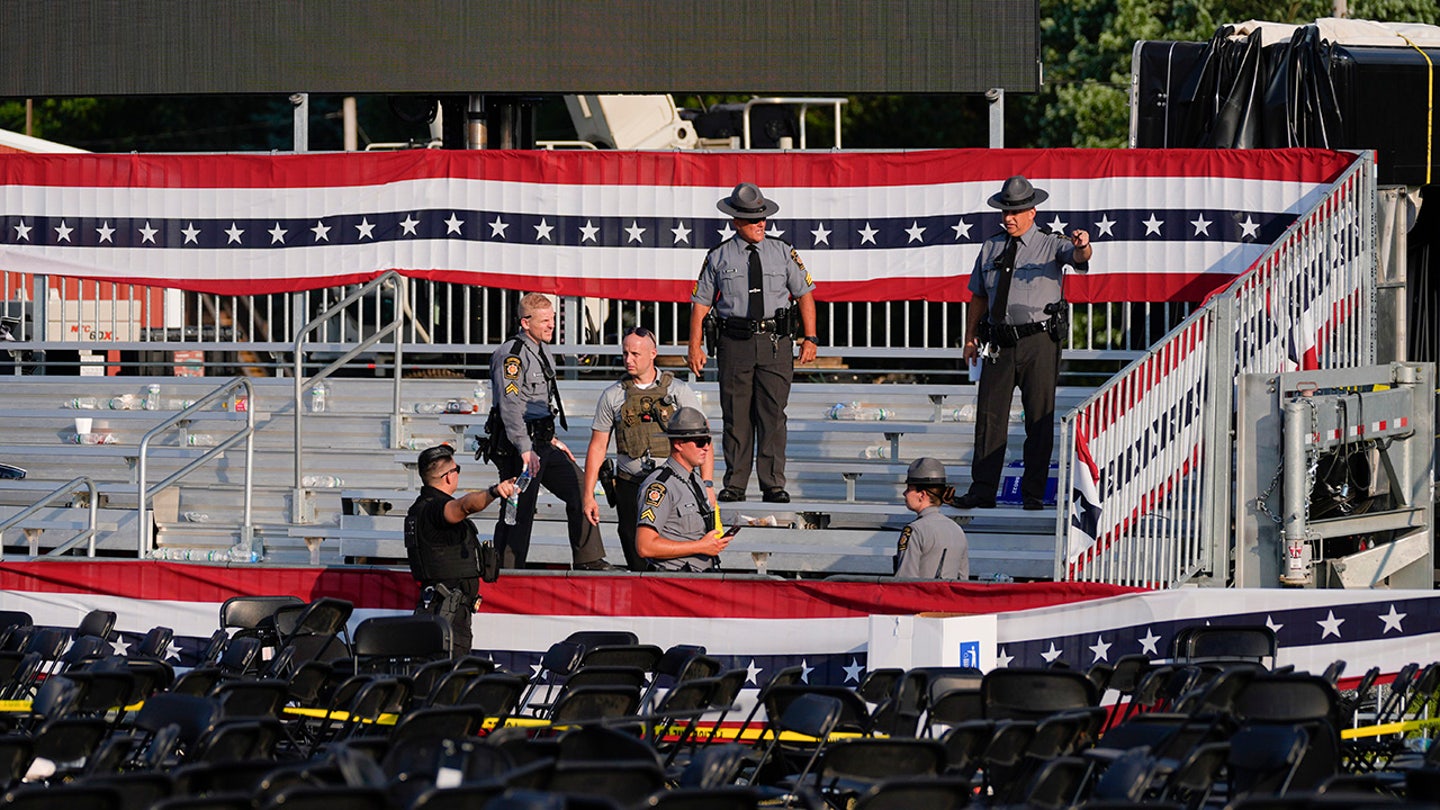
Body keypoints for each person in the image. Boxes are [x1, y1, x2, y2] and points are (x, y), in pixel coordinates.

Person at [952, 175, 1092, 511]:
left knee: (1038, 419)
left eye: (1014, 211)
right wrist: (971, 335)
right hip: (999, 342)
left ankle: (1033, 492)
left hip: (1039, 342)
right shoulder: (991, 246)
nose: (1008, 218)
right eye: (1004, 211)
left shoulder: (1050, 243)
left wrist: (1083, 244)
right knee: (989, 419)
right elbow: (979, 296)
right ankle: (982, 491)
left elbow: (1079, 257)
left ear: (1032, 211)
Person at [688, 182, 818, 505]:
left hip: (776, 343)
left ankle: (773, 483)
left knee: (773, 415)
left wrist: (810, 337)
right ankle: (735, 483)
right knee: (736, 416)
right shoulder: (718, 256)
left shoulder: (782, 252)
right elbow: (701, 303)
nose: (760, 224)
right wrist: (695, 344)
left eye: (763, 218)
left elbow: (804, 294)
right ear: (735, 222)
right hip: (735, 343)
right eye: (752, 219)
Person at [488, 293, 615, 570]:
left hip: (542, 442)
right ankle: (506, 571)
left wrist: (551, 438)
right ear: (525, 322)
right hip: (519, 447)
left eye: (553, 319)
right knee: (519, 508)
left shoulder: (542, 349)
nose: (551, 326)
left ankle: (589, 559)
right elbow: (511, 408)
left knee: (581, 487)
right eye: (544, 321)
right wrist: (524, 449)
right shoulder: (512, 356)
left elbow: (540, 405)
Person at [582, 326, 713, 571]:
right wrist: (588, 494)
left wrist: (707, 484)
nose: (628, 360)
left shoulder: (678, 391)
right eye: (625, 354)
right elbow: (598, 446)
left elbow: (703, 439)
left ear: (653, 353)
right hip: (630, 483)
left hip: (673, 485)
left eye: (635, 354)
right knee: (636, 553)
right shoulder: (613, 395)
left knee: (674, 552)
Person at [405, 444, 516, 657]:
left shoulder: (421, 508)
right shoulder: (433, 508)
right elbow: (464, 506)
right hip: (447, 614)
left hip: (443, 611)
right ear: (448, 476)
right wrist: (494, 491)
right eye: (457, 470)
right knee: (448, 679)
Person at [636, 406, 734, 572]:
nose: (706, 448)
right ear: (679, 444)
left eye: (708, 441)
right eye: (700, 442)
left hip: (700, 578)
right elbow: (645, 546)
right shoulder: (660, 487)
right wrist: (699, 547)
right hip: (673, 581)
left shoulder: (695, 480)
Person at [895, 458, 969, 579]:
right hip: (950, 597)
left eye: (909, 489)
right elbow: (963, 579)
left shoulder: (915, 530)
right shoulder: (957, 529)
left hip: (923, 597)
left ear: (922, 495)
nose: (905, 493)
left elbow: (905, 580)